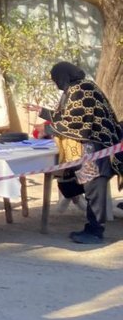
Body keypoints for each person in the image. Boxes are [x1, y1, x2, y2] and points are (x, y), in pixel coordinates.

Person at [27, 62, 123, 244]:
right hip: (89, 147)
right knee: (75, 184)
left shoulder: (82, 89)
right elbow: (67, 116)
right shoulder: (75, 89)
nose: (56, 83)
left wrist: (48, 131)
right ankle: (92, 226)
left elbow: (77, 124)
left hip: (96, 147)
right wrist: (42, 112)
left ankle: (95, 231)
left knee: (94, 188)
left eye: (56, 79)